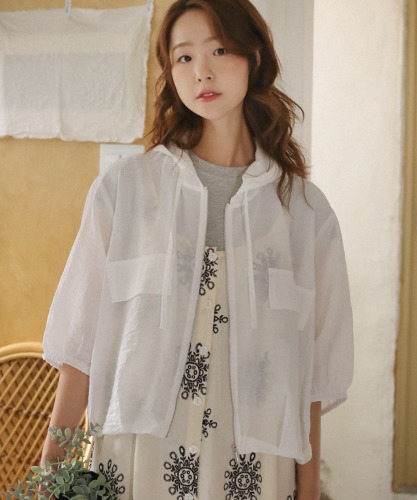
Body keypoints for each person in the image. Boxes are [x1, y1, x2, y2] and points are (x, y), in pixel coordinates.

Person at [41, 0, 354, 498]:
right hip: (137, 466)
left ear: (254, 56)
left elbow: (312, 379)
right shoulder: (124, 192)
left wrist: (309, 492)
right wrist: (52, 472)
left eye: (219, 50)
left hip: (254, 472)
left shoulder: (305, 214)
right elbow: (80, 344)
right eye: (184, 57)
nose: (201, 71)